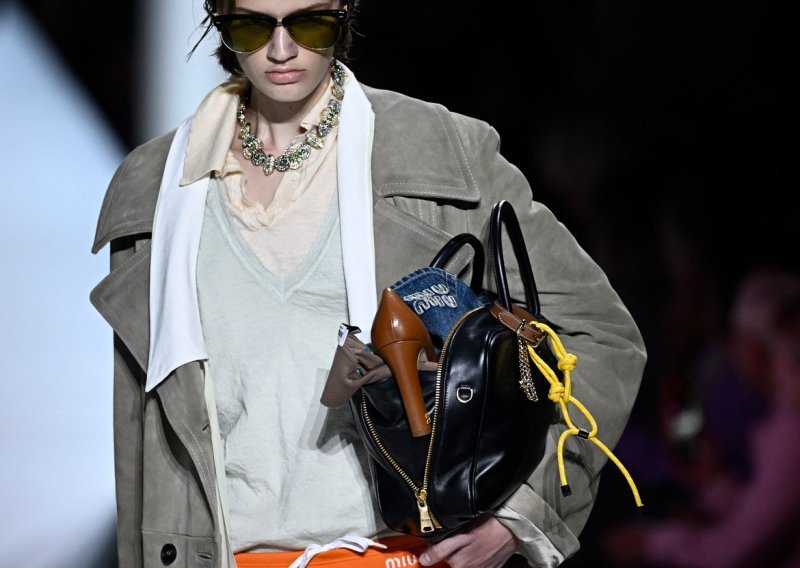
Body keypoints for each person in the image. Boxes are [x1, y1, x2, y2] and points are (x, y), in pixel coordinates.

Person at [89, 1, 646, 566]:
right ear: (220, 21)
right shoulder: (159, 188)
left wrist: (524, 513)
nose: (281, 50)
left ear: (343, 13)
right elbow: (140, 443)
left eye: (309, 23)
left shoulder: (436, 150)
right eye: (253, 26)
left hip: (399, 553)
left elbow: (602, 334)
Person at [604, 267, 800, 567]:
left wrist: (654, 542)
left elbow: (738, 547)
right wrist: (712, 483)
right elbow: (761, 511)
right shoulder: (764, 405)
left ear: (751, 348)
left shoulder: (778, 419)